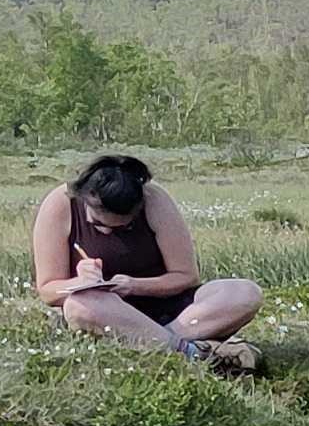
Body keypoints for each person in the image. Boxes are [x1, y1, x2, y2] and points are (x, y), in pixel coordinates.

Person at [31, 155, 261, 372]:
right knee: (79, 306)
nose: (107, 231)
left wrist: (135, 285)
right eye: (97, 225)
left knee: (244, 293)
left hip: (170, 311)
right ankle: (189, 351)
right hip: (105, 312)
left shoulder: (154, 199)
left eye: (122, 228)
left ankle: (159, 344)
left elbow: (186, 276)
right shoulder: (60, 204)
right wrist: (80, 282)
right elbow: (48, 290)